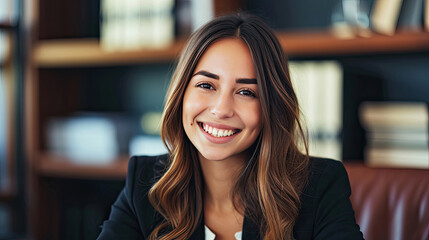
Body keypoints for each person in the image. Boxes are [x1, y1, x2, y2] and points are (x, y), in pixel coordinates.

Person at [97, 13, 363, 240]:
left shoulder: (320, 186)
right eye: (206, 85)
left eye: (246, 92)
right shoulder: (145, 184)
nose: (221, 109)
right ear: (181, 93)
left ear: (271, 106)